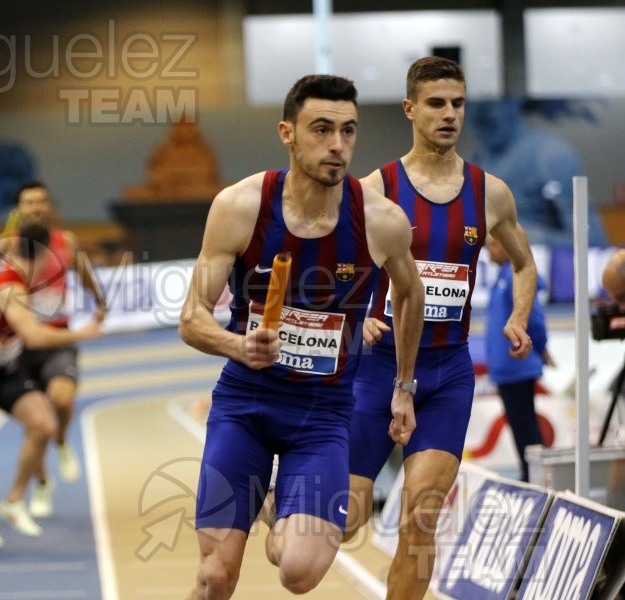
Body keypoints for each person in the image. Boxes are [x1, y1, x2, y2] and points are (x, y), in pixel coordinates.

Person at [179, 74, 424, 598]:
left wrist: (405, 385)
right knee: (216, 575)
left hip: (322, 416)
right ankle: (266, 499)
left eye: (348, 131)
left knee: (299, 571)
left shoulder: (381, 222)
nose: (337, 145)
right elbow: (191, 317)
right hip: (244, 404)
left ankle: (273, 503)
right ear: (287, 133)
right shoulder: (240, 206)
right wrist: (237, 345)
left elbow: (411, 293)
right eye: (321, 129)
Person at [343, 56, 538, 600]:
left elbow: (523, 263)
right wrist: (361, 316)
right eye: (435, 104)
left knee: (422, 515)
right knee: (344, 520)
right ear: (410, 109)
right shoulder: (374, 189)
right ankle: (283, 488)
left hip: (448, 371)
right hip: (379, 372)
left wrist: (518, 317)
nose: (449, 114)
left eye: (457, 103)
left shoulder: (490, 192)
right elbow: (333, 270)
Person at [0, 222, 103, 549]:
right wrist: (82, 333)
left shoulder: (19, 264)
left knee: (43, 425)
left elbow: (4, 245)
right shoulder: (11, 289)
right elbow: (34, 336)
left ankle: (14, 501)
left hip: (6, 372)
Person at [0, 181, 107, 518]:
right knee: (34, 425)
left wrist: (99, 300)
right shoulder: (7, 247)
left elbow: (84, 273)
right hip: (22, 344)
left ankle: (61, 442)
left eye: (41, 202)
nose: (36, 208)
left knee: (61, 400)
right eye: (28, 203)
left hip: (58, 336)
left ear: (49, 208)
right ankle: (43, 483)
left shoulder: (66, 242)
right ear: (19, 210)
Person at [467, 97, 608, 247]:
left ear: (514, 101)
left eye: (489, 102)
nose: (478, 112)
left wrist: (531, 239)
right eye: (469, 103)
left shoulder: (551, 156)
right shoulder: (468, 165)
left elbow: (593, 242)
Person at [485, 232, 553, 482]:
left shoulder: (516, 278)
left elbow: (532, 317)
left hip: (517, 366)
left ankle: (536, 480)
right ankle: (532, 476)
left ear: (507, 246)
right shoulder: (502, 277)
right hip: (507, 368)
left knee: (526, 428)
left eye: (493, 244)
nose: (488, 250)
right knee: (521, 426)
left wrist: (541, 346)